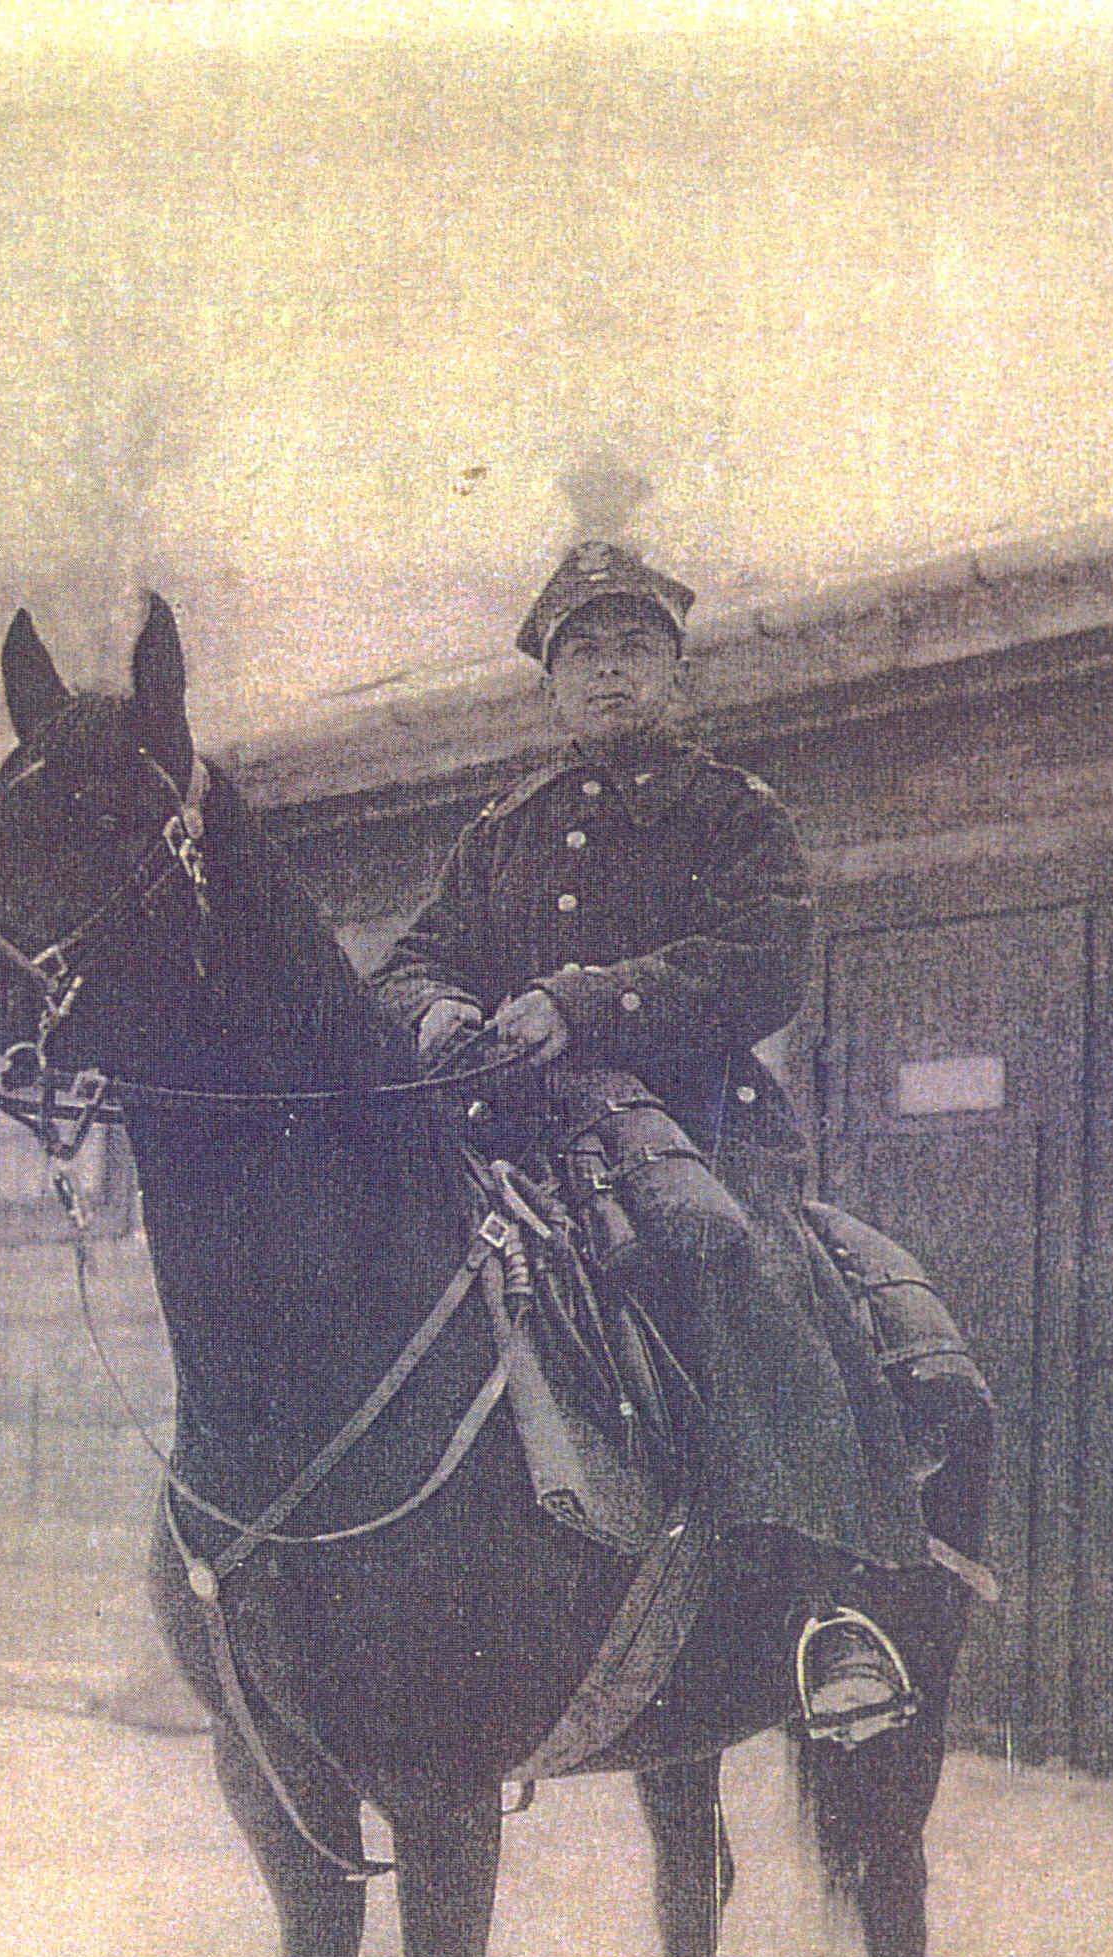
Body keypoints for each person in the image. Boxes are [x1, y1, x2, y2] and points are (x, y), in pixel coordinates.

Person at [373, 540, 951, 1739]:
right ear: (550, 683)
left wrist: (582, 1002)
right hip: (519, 1129)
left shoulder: (731, 812)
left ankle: (826, 1605)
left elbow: (763, 959)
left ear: (677, 670)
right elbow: (417, 957)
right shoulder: (503, 831)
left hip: (696, 1123)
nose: (609, 670)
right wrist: (439, 1011)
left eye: (635, 646)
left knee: (742, 1262)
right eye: (582, 650)